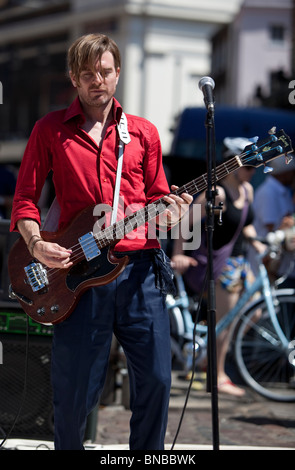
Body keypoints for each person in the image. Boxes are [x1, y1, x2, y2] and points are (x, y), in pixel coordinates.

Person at [10, 33, 192, 450]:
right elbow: (25, 199)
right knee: (74, 396)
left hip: (140, 272)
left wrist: (173, 213)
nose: (98, 81)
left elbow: (158, 198)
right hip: (77, 275)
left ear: (118, 73)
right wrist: (36, 244)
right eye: (88, 74)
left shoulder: (143, 133)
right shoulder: (50, 130)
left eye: (105, 72)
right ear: (74, 78)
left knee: (159, 381)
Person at [171, 137, 265, 397]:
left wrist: (258, 241)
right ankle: (217, 375)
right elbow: (186, 222)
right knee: (225, 318)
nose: (252, 171)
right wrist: (179, 254)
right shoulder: (217, 193)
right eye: (248, 166)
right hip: (213, 263)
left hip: (239, 261)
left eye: (255, 167)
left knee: (254, 312)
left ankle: (208, 358)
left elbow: (244, 222)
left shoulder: (247, 191)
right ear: (233, 165)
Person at [251, 155, 295, 288]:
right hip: (265, 265)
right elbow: (271, 229)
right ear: (284, 173)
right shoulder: (268, 192)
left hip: (280, 267)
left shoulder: (283, 191)